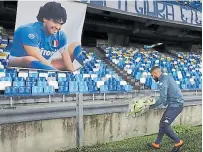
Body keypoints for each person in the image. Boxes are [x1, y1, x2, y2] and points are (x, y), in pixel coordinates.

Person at [8, 1, 84, 72]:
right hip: (18, 62)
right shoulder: (28, 30)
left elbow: (66, 58)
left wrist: (73, 73)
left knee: (75, 45)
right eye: (55, 22)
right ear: (45, 18)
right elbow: (37, 57)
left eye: (61, 24)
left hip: (41, 64)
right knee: (30, 59)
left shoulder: (60, 35)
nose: (58, 27)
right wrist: (56, 73)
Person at [147, 66, 184, 152]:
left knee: (164, 125)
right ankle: (157, 143)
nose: (152, 78)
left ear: (156, 74)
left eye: (152, 75)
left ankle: (178, 142)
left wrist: (152, 106)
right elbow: (167, 96)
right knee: (162, 124)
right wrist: (164, 102)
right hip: (173, 104)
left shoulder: (163, 81)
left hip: (176, 105)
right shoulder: (167, 77)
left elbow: (163, 98)